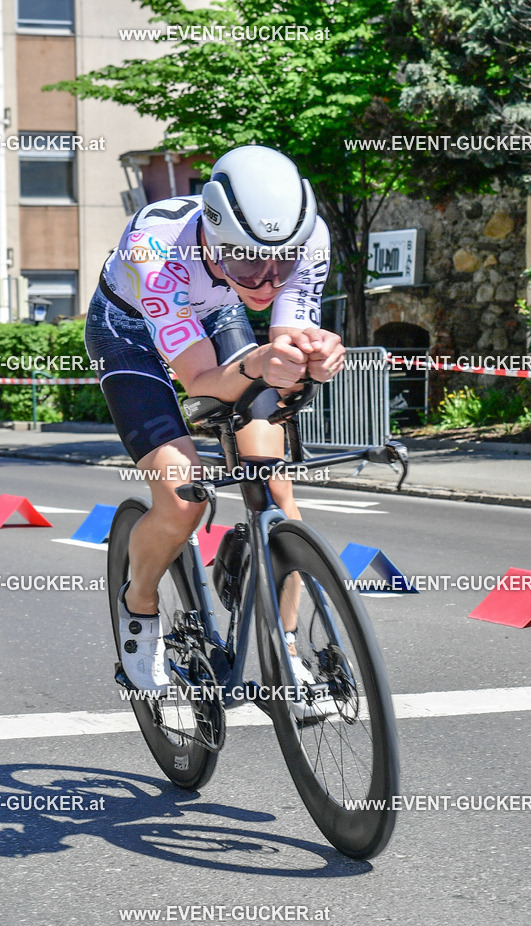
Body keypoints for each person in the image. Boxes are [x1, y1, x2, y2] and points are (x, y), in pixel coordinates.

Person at [85, 144, 345, 703]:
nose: (267, 283)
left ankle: (285, 650)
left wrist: (314, 357)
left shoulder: (308, 239)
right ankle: (139, 603)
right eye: (248, 264)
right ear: (212, 236)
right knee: (183, 499)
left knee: (275, 484)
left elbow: (286, 347)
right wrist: (260, 364)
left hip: (213, 312)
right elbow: (202, 380)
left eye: (283, 264)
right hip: (130, 333)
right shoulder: (155, 249)